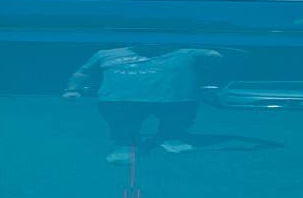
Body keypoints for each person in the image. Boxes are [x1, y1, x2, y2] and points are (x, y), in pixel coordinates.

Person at [63, 45, 222, 164]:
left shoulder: (186, 52)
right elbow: (83, 72)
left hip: (173, 98)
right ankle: (126, 143)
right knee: (122, 123)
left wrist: (213, 55)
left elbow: (213, 55)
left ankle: (169, 137)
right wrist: (72, 89)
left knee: (179, 116)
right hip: (120, 100)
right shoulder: (106, 53)